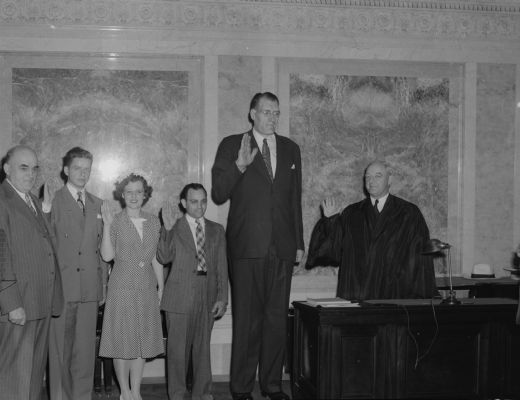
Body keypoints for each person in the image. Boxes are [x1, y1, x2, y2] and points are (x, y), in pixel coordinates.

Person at [212, 92, 304, 400]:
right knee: (247, 320)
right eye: (266, 112)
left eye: (276, 113)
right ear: (252, 114)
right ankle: (240, 388)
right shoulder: (232, 145)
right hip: (246, 246)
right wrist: (238, 166)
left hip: (282, 246)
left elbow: (294, 200)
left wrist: (299, 243)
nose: (272, 118)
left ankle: (272, 385)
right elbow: (218, 193)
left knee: (276, 320)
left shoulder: (291, 149)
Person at [0, 145, 64, 400]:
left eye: (34, 168)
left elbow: (38, 242)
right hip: (18, 306)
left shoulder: (32, 201)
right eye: (23, 167)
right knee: (15, 379)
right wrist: (12, 303)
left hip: (39, 302)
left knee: (33, 379)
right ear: (6, 170)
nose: (31, 174)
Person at [306, 161, 437, 300]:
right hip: (357, 292)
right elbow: (333, 251)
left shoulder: (409, 213)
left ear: (390, 180)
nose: (371, 181)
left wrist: (420, 299)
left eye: (378, 176)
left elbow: (421, 261)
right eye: (367, 177)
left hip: (394, 293)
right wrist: (330, 221)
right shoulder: (352, 213)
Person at [43, 147, 108, 400]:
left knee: (84, 353)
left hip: (90, 290)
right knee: (60, 353)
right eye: (78, 168)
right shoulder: (53, 201)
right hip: (64, 288)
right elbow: (45, 241)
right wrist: (46, 209)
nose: (83, 174)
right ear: (66, 170)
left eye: (87, 169)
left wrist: (101, 286)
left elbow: (100, 250)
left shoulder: (97, 203)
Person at [157, 183, 229, 400]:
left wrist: (222, 298)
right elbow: (163, 257)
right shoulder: (173, 226)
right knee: (177, 353)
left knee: (202, 351)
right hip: (179, 296)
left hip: (206, 295)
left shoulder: (217, 230)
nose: (200, 206)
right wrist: (167, 230)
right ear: (184, 203)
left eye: (203, 201)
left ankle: (203, 394)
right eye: (194, 201)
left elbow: (222, 266)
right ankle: (177, 395)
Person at [98, 173, 164, 400]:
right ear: (122, 195)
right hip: (122, 287)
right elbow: (107, 255)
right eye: (129, 192)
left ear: (145, 195)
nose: (134, 196)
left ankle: (136, 391)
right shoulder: (115, 221)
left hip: (146, 287)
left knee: (141, 341)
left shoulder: (154, 221)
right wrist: (106, 226)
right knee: (122, 342)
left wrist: (161, 287)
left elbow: (155, 257)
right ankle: (124, 392)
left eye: (138, 191)